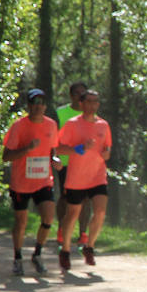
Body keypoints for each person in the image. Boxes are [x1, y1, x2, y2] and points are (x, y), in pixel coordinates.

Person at [1, 88, 59, 276]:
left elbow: (53, 151)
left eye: (41, 103)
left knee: (48, 218)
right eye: (34, 103)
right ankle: (18, 258)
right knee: (21, 222)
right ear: (28, 106)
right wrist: (27, 149)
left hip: (43, 180)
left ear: (45, 106)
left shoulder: (51, 125)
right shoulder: (19, 126)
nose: (38, 107)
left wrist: (55, 160)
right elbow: (6, 156)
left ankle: (37, 254)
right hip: (21, 182)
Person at [53, 89, 111, 271]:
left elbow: (107, 149)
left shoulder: (103, 125)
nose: (93, 105)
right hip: (77, 177)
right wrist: (77, 149)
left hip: (98, 176)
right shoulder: (72, 124)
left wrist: (107, 153)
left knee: (100, 212)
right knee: (72, 214)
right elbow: (57, 149)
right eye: (89, 101)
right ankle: (66, 250)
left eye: (96, 102)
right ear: (82, 104)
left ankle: (90, 246)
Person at [53, 82, 92, 249]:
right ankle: (62, 229)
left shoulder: (90, 115)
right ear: (71, 95)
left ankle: (83, 234)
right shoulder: (61, 113)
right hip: (66, 162)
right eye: (78, 94)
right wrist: (54, 156)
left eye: (84, 94)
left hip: (85, 163)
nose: (81, 97)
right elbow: (53, 138)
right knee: (66, 197)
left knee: (85, 198)